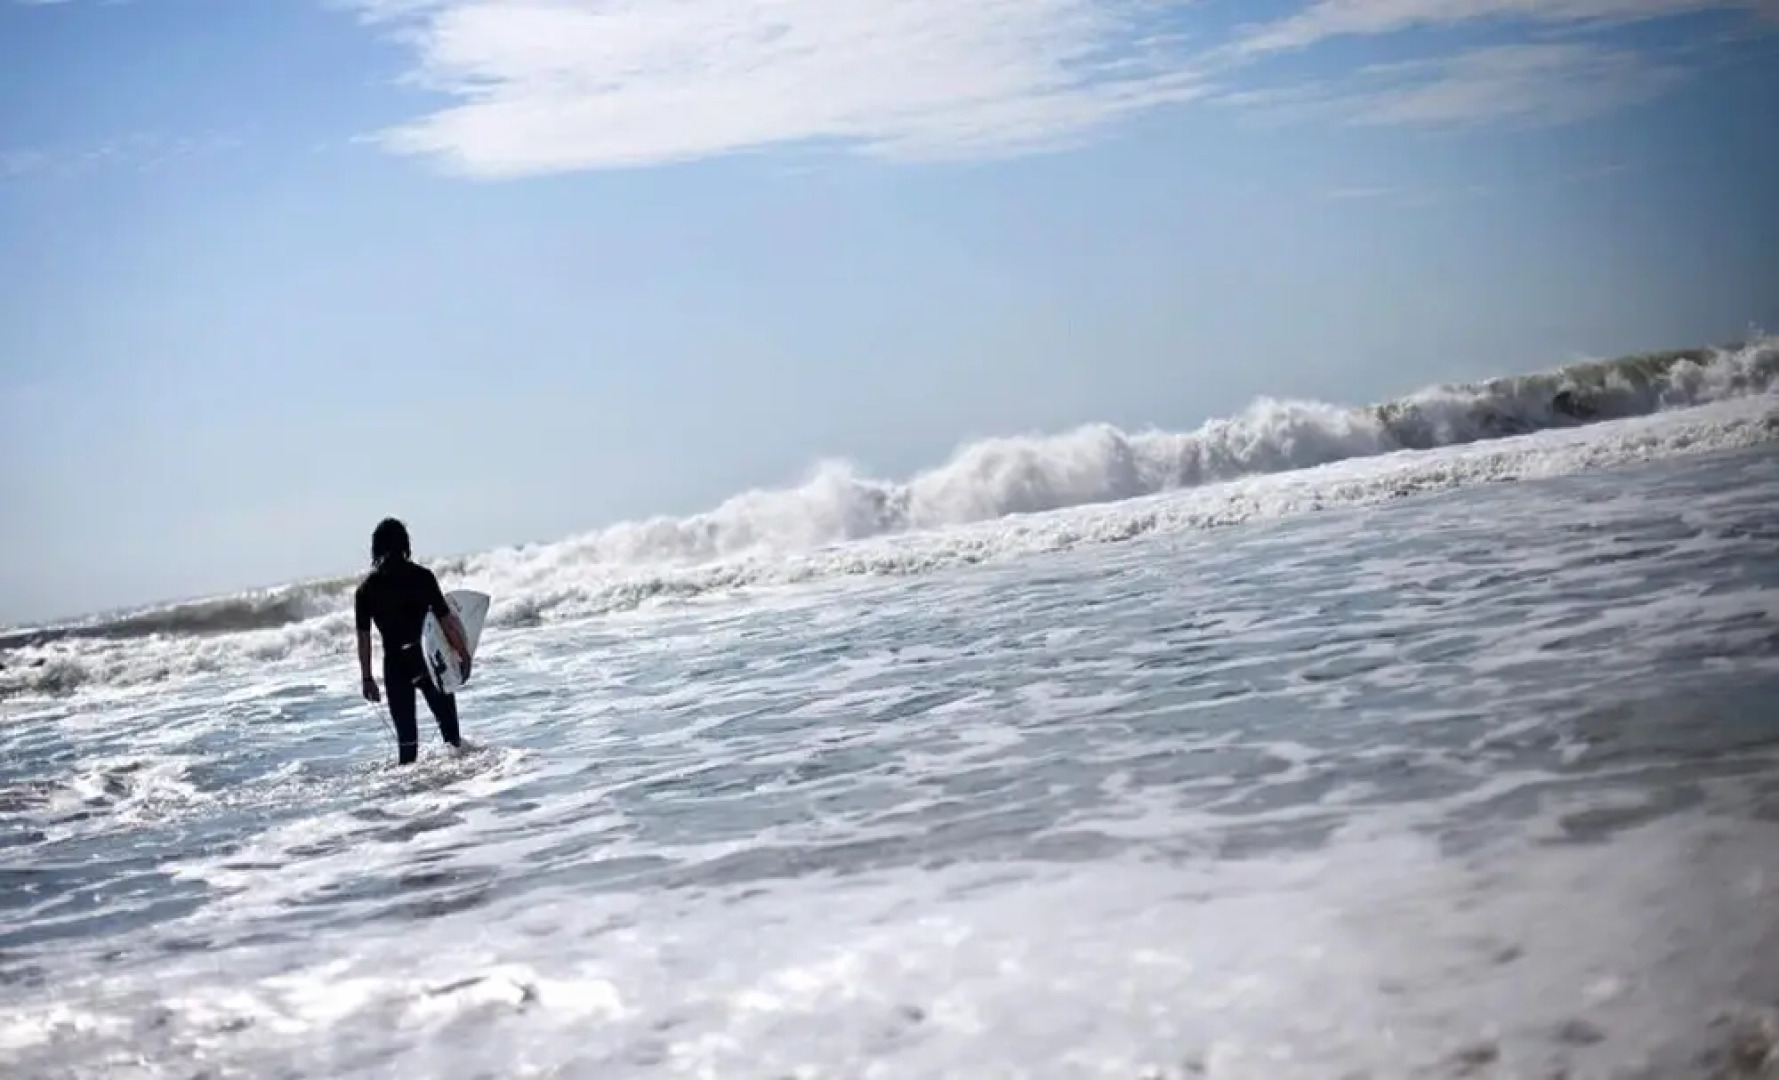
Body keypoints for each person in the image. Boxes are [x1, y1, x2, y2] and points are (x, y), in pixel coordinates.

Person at [354, 517, 472, 764]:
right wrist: (462, 652)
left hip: (395, 665)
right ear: (405, 544)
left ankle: (408, 798)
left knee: (407, 749)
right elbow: (445, 621)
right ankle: (461, 791)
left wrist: (367, 678)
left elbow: (363, 639)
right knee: (452, 738)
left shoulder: (366, 589)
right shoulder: (422, 577)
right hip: (428, 661)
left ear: (376, 548)